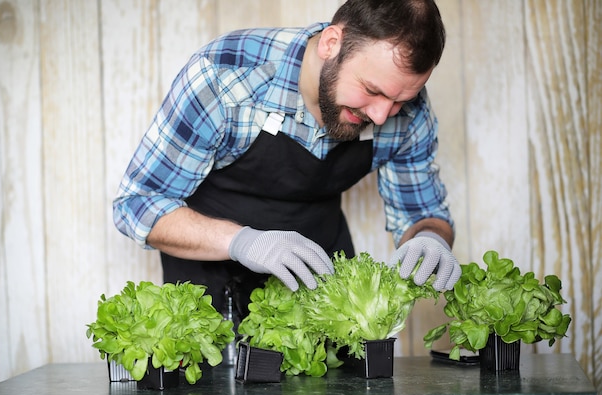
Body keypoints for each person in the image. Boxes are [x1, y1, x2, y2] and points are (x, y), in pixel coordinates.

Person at [113, 0, 461, 320]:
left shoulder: (407, 111)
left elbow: (421, 212)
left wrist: (430, 238)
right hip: (210, 290)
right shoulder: (226, 76)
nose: (384, 115)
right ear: (331, 44)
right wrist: (244, 242)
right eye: (372, 91)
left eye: (400, 100)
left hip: (324, 292)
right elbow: (138, 204)